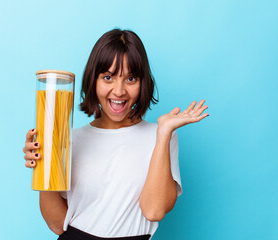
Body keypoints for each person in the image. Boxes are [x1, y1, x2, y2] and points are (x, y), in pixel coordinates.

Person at [23, 29, 209, 240]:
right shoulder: (71, 139)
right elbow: (57, 225)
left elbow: (154, 211)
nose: (119, 91)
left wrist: (164, 133)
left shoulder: (159, 137)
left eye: (130, 79)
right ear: (94, 81)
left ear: (143, 83)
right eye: (108, 77)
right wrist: (43, 163)